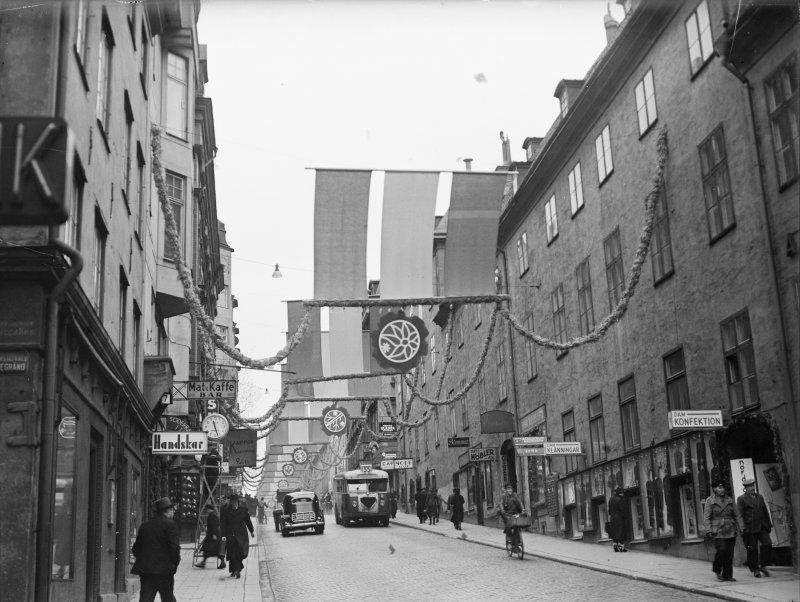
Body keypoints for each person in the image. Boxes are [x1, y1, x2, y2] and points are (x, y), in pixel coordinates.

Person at [131, 497, 180, 602]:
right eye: (172, 510)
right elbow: (174, 548)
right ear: (168, 511)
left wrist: (144, 560)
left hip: (147, 571)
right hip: (165, 571)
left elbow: (136, 548)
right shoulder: (171, 525)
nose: (173, 512)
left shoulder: (145, 526)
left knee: (146, 598)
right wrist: (174, 564)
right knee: (167, 597)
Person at [704, 479, 744, 582]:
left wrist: (741, 527)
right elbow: (706, 517)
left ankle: (728, 575)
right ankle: (717, 570)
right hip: (717, 531)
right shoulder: (710, 501)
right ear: (714, 489)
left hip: (730, 529)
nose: (722, 490)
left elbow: (737, 515)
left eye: (723, 487)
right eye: (719, 487)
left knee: (729, 553)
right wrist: (708, 530)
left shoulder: (730, 500)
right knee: (722, 550)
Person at [737, 478, 773, 578]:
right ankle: (755, 569)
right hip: (750, 528)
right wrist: (742, 527)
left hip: (762, 526)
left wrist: (769, 525)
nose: (752, 488)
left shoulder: (760, 497)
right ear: (746, 488)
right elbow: (739, 515)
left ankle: (763, 565)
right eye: (750, 486)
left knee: (768, 544)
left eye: (753, 485)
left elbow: (765, 511)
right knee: (752, 549)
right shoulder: (742, 499)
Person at [220, 493, 255, 579]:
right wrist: (223, 535)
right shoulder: (226, 511)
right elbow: (223, 523)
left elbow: (248, 521)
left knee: (240, 552)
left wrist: (251, 531)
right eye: (232, 503)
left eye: (235, 503)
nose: (234, 504)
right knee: (232, 553)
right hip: (230, 534)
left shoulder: (243, 510)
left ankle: (237, 569)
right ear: (230, 503)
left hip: (241, 534)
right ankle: (235, 570)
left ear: (238, 502)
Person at [608, 486, 628, 552]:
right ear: (620, 493)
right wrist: (625, 516)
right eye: (622, 493)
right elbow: (622, 509)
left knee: (614, 533)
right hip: (619, 518)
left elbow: (609, 511)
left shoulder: (611, 499)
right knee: (620, 533)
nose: (623, 494)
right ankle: (621, 548)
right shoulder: (621, 499)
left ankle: (615, 547)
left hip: (613, 518)